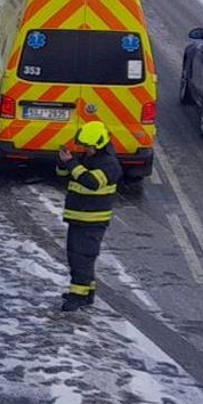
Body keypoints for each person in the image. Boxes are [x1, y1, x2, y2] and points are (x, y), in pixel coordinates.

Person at [56, 122, 122, 312]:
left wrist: (72, 163)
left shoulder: (110, 165)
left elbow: (91, 182)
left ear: (99, 145)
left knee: (81, 258)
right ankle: (86, 293)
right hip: (78, 217)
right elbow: (64, 175)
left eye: (88, 147)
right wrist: (63, 162)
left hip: (92, 220)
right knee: (79, 256)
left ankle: (78, 296)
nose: (85, 149)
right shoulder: (85, 158)